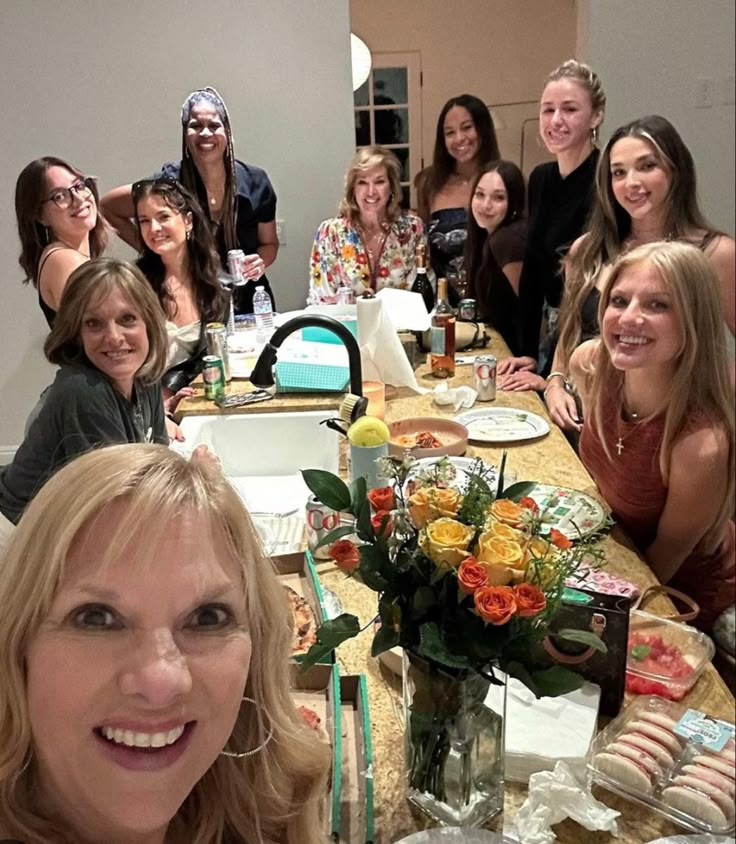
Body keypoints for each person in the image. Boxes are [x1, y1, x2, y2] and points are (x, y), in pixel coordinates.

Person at [0, 443, 330, 843]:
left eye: (207, 617)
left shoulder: (268, 814)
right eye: (96, 618)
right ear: (18, 648)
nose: (161, 681)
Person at [571, 241, 735, 631]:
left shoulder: (700, 443)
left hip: (680, 596)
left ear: (694, 319)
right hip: (618, 551)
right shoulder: (594, 366)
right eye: (619, 300)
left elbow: (659, 565)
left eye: (657, 305)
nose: (629, 318)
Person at [546, 114, 736, 431]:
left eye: (647, 166)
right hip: (589, 427)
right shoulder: (587, 250)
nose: (631, 182)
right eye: (618, 172)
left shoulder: (716, 253)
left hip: (669, 433)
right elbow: (570, 334)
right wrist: (555, 383)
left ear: (676, 171)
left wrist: (710, 402)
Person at [0, 258, 169, 535]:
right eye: (94, 323)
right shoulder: (84, 393)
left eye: (127, 319)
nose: (114, 337)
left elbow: (159, 462)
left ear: (149, 322)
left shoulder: (144, 375)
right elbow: (114, 511)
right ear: (77, 334)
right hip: (21, 536)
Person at [101, 87, 279, 314]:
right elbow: (108, 207)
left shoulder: (255, 181)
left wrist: (259, 262)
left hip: (250, 299)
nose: (205, 133)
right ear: (186, 134)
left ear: (228, 132)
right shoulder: (168, 183)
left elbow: (269, 244)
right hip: (192, 298)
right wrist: (155, 248)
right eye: (196, 125)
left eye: (214, 125)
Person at [499, 60, 605, 390]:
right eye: (548, 110)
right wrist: (527, 352)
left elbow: (593, 282)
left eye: (569, 109)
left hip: (592, 333)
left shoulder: (606, 178)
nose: (555, 120)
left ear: (596, 116)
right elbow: (532, 269)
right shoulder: (541, 178)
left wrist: (553, 377)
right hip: (554, 324)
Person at [133, 177, 230, 394]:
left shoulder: (216, 285)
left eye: (163, 217)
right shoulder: (134, 283)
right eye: (144, 221)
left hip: (190, 398)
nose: (154, 228)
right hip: (143, 407)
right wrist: (160, 404)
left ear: (188, 221)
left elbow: (207, 359)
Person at [309, 145, 427, 302]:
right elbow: (321, 299)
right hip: (345, 324)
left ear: (391, 187)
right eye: (362, 182)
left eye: (379, 182)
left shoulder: (412, 229)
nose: (371, 191)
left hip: (400, 325)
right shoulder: (331, 233)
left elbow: (422, 294)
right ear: (353, 189)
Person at [414, 94, 501, 303]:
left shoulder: (503, 179)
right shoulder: (429, 183)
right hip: (444, 306)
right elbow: (423, 247)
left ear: (483, 128)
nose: (459, 138)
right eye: (450, 132)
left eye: (467, 127)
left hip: (495, 302)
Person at [15, 156, 108, 327]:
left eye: (79, 186)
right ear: (40, 216)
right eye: (59, 196)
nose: (79, 199)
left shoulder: (71, 257)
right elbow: (96, 334)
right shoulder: (64, 260)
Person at [464, 161, 527, 353]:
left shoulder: (508, 240)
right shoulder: (484, 236)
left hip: (521, 354)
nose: (486, 205)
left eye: (498, 198)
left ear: (514, 203)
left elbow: (530, 307)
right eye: (480, 194)